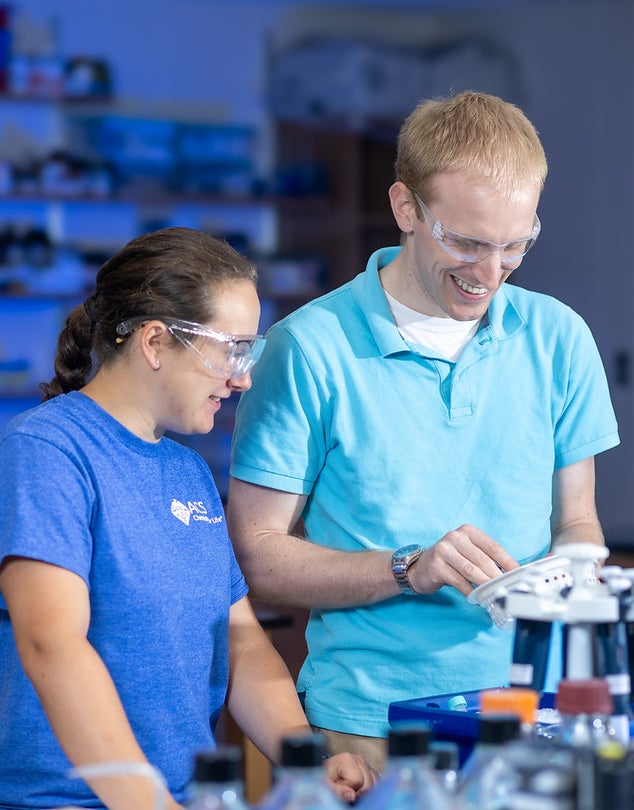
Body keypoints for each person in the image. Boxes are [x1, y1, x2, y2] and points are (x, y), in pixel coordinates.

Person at [226, 91, 620, 772]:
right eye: (466, 243)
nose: (490, 274)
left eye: (515, 246)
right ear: (406, 208)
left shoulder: (559, 338)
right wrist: (410, 569)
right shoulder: (308, 349)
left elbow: (579, 521)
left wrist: (573, 571)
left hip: (533, 717)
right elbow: (258, 558)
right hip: (371, 725)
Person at [0, 227, 376, 810]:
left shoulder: (188, 472)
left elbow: (241, 639)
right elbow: (52, 643)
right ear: (155, 342)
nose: (242, 376)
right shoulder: (47, 451)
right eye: (231, 349)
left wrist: (308, 761)